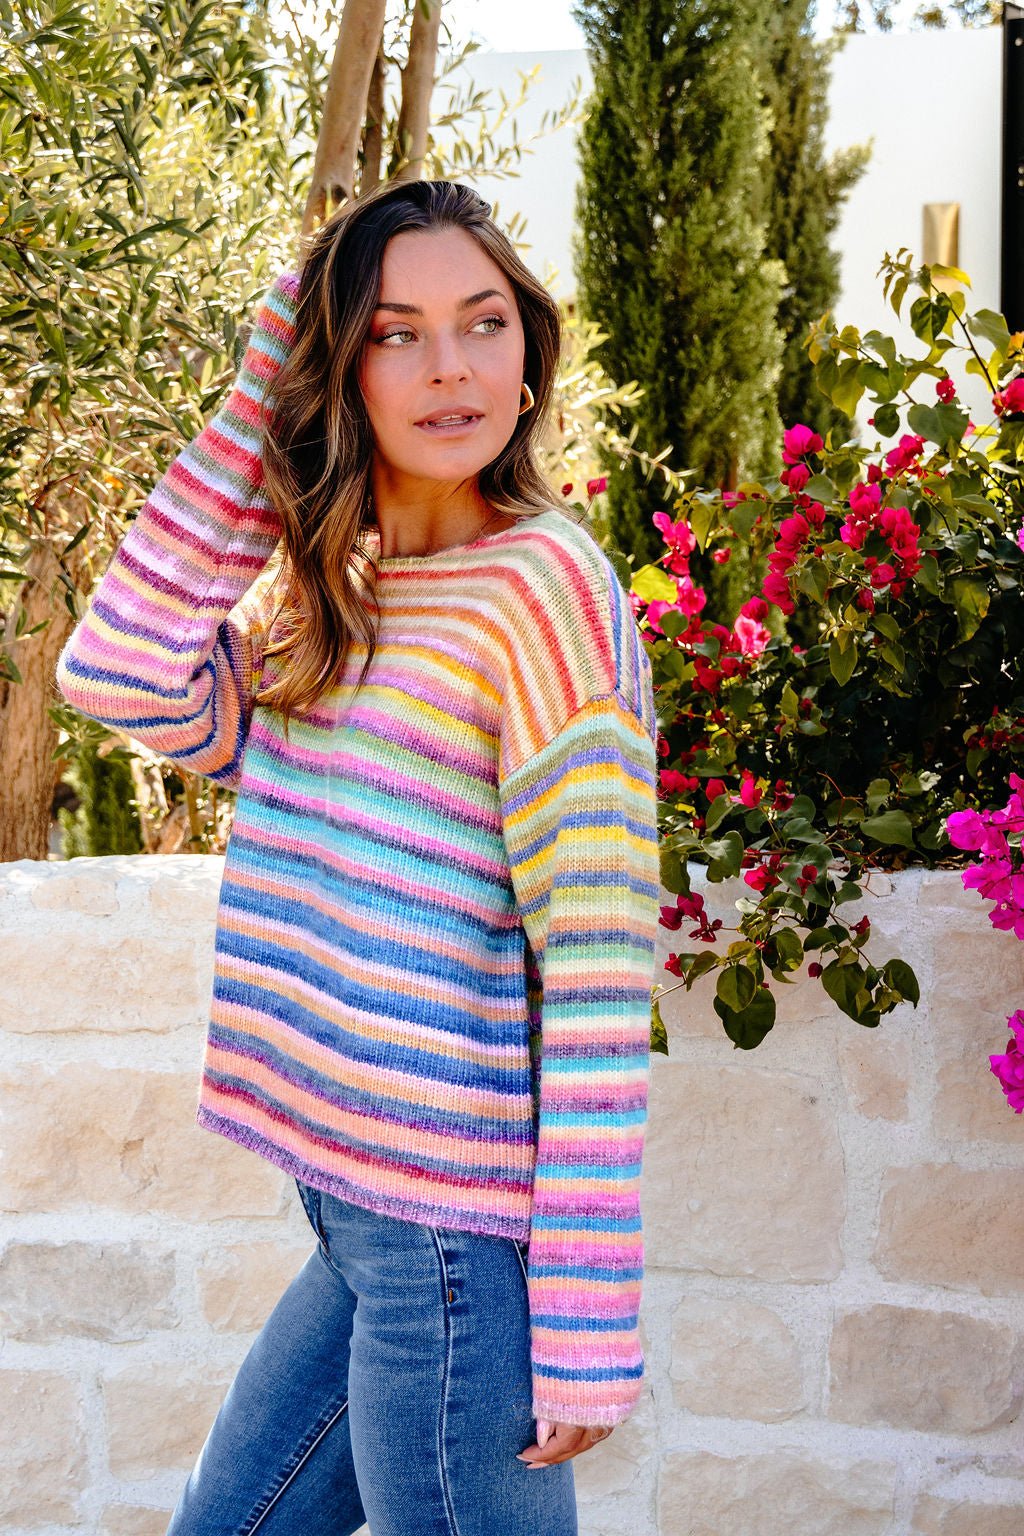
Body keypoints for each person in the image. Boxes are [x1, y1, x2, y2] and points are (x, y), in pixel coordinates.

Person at [55, 178, 660, 1536]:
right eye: (395, 332)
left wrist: (582, 1318)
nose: (453, 368)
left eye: (485, 321)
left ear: (530, 347)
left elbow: (602, 970)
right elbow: (121, 667)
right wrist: (265, 377)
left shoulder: (546, 594)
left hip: (454, 1246)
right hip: (358, 1216)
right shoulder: (329, 598)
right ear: (338, 367)